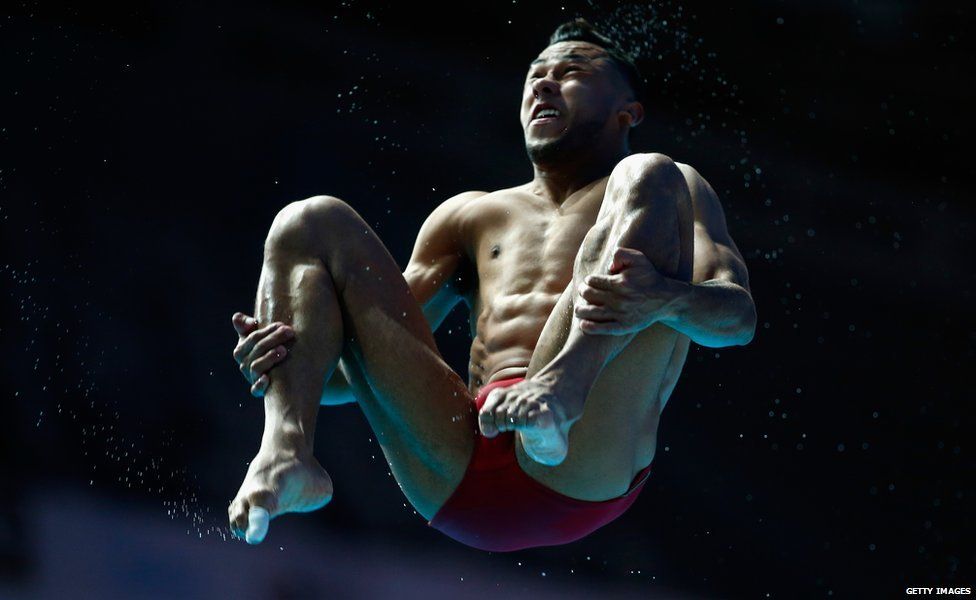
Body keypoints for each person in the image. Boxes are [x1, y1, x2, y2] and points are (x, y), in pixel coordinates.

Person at [227, 18, 756, 552]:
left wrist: (664, 298)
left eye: (570, 72)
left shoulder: (675, 189)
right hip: (461, 461)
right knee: (309, 219)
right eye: (535, 76)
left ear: (629, 111)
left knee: (649, 172)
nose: (544, 84)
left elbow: (736, 321)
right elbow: (350, 376)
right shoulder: (469, 217)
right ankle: (285, 451)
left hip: (582, 460)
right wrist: (287, 363)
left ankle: (560, 393)